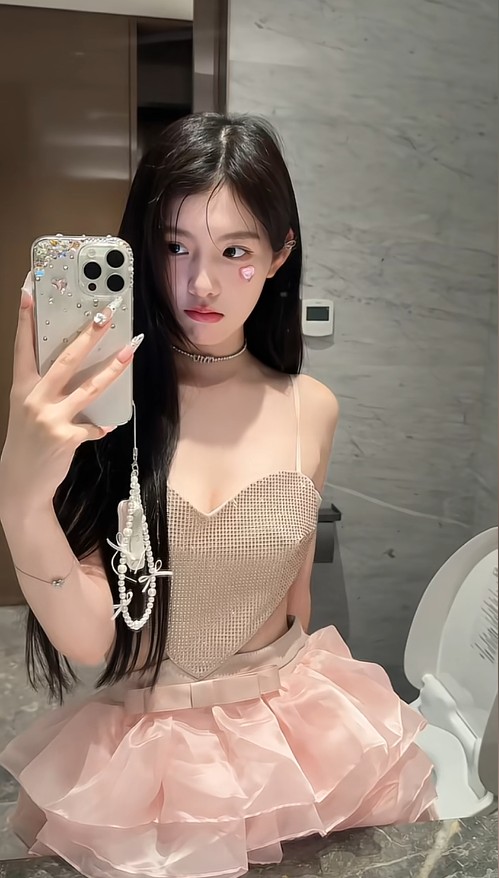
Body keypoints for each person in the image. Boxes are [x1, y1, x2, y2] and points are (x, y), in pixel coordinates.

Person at [0, 113, 437, 878]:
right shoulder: (103, 410)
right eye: (176, 247)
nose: (200, 283)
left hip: (300, 736)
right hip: (154, 757)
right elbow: (93, 642)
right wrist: (20, 499)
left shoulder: (311, 408)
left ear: (279, 255)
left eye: (234, 250)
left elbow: (294, 600)